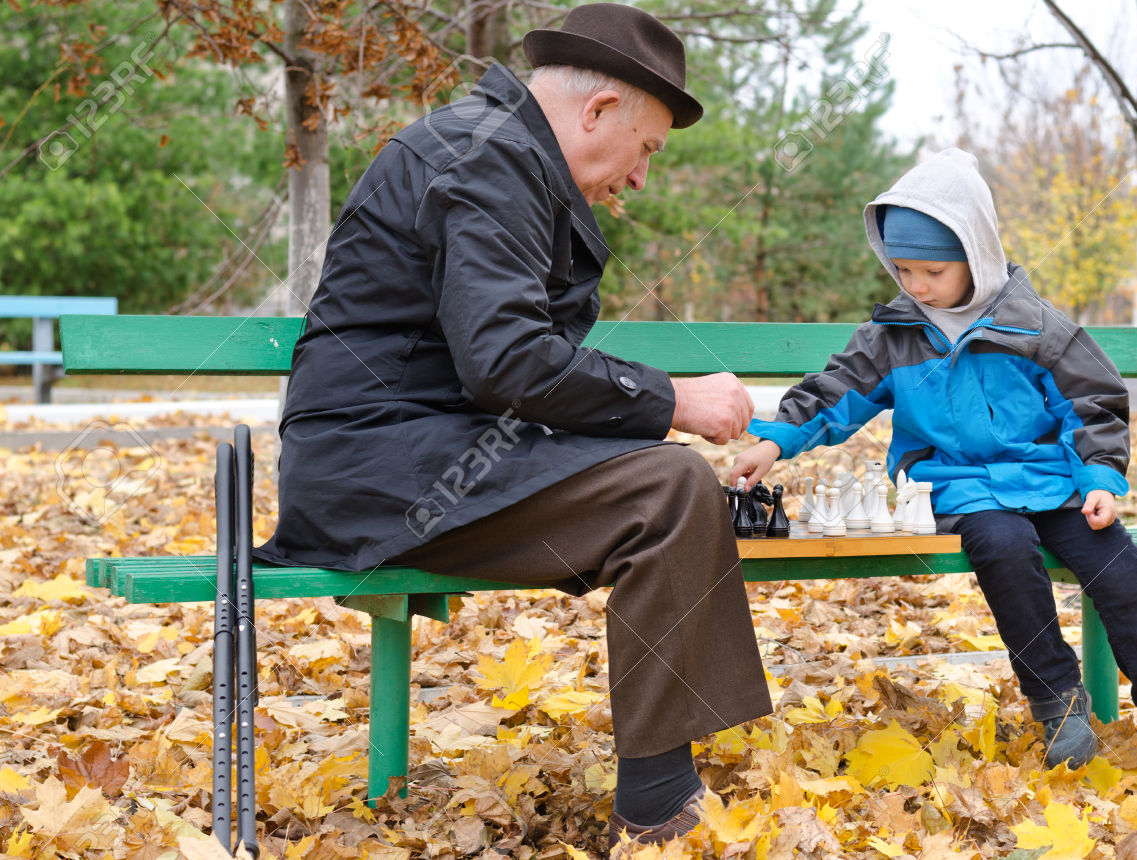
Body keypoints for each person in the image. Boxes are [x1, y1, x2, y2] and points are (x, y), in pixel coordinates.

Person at [254, 3, 772, 847]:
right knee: (670, 486)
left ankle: (664, 780)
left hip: (422, 452)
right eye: (647, 149)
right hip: (380, 470)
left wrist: (639, 421)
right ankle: (660, 807)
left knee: (658, 474)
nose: (642, 178)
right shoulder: (490, 156)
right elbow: (507, 361)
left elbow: (503, 371)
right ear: (599, 111)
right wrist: (674, 400)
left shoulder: (501, 151)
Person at [730, 148, 1137, 790]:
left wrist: (1100, 480)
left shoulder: (1037, 327)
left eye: (932, 271)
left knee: (1117, 565)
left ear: (976, 255)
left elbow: (1093, 403)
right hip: (956, 486)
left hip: (1054, 484)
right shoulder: (894, 334)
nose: (915, 285)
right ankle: (1057, 702)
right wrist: (775, 441)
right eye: (902, 269)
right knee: (1003, 548)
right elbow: (836, 392)